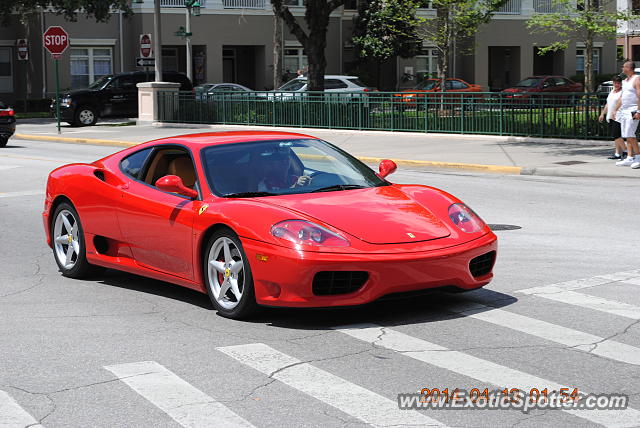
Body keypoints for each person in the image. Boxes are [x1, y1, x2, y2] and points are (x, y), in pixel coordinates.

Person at [613, 61, 640, 168]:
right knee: (627, 135)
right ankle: (629, 157)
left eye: (623, 66)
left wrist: (638, 111)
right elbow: (622, 97)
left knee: (630, 135)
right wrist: (615, 109)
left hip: (633, 110)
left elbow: (639, 95)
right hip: (624, 111)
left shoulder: (636, 79)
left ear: (629, 68)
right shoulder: (625, 81)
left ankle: (638, 157)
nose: (622, 68)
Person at [599, 75, 626, 160]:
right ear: (613, 83)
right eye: (615, 83)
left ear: (620, 83)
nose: (617, 84)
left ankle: (626, 152)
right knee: (616, 136)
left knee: (616, 135)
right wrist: (602, 114)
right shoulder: (612, 91)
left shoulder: (622, 92)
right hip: (610, 116)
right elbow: (607, 104)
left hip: (619, 116)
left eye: (618, 83)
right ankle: (617, 154)